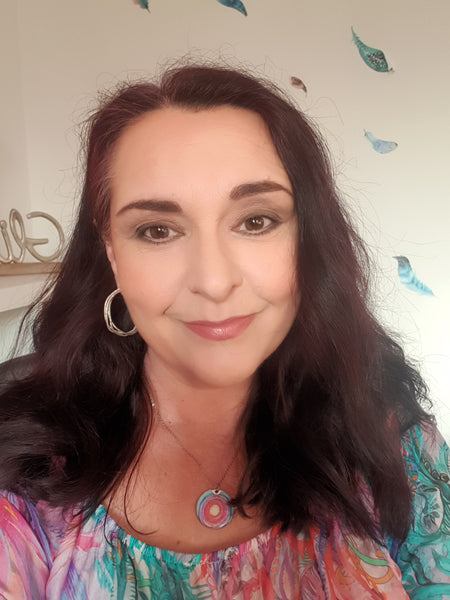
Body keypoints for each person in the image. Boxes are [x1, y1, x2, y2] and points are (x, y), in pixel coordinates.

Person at [0, 63, 449, 599]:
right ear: (112, 250)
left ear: (306, 240)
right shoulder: (24, 480)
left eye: (256, 221)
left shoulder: (394, 442)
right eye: (157, 230)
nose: (213, 282)